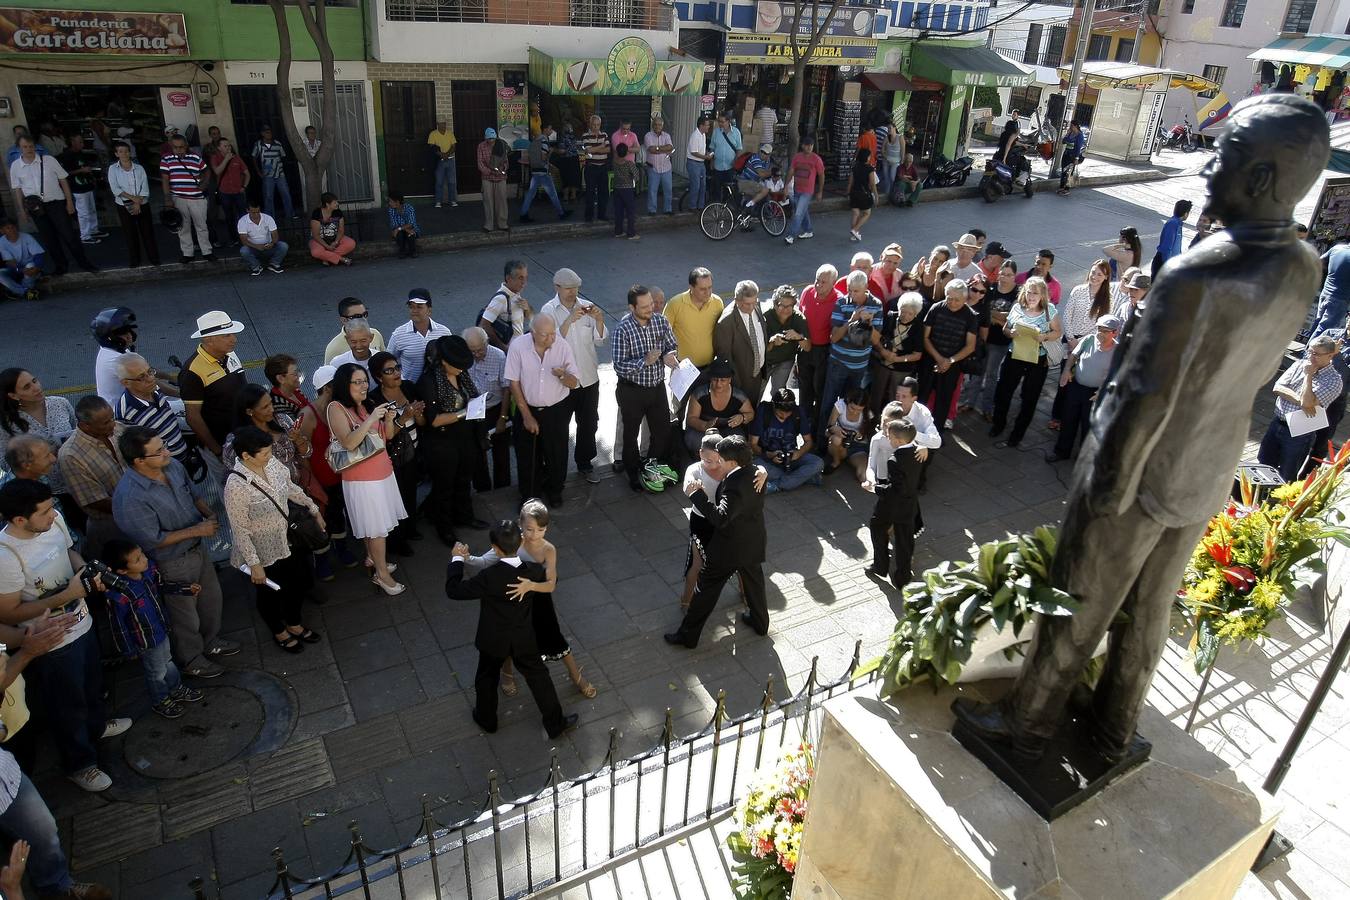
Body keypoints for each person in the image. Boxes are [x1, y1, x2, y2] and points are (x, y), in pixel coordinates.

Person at [0, 479, 130, 792]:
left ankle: (97, 727)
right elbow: (8, 614)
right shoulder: (5, 556)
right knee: (66, 706)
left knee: (91, 687)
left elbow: (68, 551)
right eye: (44, 512)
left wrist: (86, 569)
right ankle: (80, 764)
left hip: (83, 624)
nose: (53, 515)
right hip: (53, 642)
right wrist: (65, 595)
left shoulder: (53, 521)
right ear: (20, 520)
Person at [112, 426, 235, 678]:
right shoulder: (130, 497)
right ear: (138, 461)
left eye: (164, 445)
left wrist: (208, 513)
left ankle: (211, 641)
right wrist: (197, 530)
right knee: (184, 616)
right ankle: (192, 660)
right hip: (171, 562)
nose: (167, 452)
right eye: (159, 451)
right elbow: (151, 539)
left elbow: (193, 494)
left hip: (198, 549)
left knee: (211, 600)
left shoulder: (173, 467)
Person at [446, 522, 577, 738]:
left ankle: (487, 719)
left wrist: (458, 559)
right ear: (520, 542)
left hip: (493, 638)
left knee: (486, 678)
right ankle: (555, 724)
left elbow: (454, 590)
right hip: (523, 638)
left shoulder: (489, 577)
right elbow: (551, 582)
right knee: (539, 677)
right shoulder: (534, 572)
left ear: (496, 549)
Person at [224, 425, 324, 655]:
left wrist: (312, 506)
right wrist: (254, 564)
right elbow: (239, 529)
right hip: (262, 550)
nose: (271, 456)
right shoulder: (236, 486)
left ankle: (294, 622)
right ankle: (279, 630)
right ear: (246, 456)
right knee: (269, 593)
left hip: (287, 539)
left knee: (296, 582)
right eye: (265, 453)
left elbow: (290, 488)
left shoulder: (272, 463)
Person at [481, 500, 596, 699]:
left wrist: (531, 585)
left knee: (554, 637)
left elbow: (551, 584)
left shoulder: (549, 549)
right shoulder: (515, 541)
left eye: (540, 530)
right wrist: (464, 558)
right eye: (530, 529)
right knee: (510, 640)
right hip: (515, 597)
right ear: (520, 525)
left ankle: (575, 675)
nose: (535, 535)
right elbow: (489, 559)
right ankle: (507, 674)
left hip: (540, 600)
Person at [664, 435, 767, 647]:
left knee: (706, 590)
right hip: (753, 542)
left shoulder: (735, 484)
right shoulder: (755, 472)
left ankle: (687, 636)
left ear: (732, 463)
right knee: (755, 585)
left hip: (729, 549)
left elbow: (721, 518)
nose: (718, 461)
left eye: (722, 459)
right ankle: (760, 623)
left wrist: (697, 496)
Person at [326, 364, 407, 594]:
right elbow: (349, 442)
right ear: (345, 384)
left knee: (373, 526)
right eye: (357, 382)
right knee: (377, 529)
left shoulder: (365, 404)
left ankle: (373, 560)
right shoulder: (336, 408)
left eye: (364, 381)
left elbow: (386, 437)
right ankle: (382, 575)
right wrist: (371, 418)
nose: (364, 386)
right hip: (363, 481)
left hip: (382, 474)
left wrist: (389, 419)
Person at [101, 538, 205, 719]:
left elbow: (162, 587)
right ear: (122, 570)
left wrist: (185, 588)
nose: (144, 559)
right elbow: (118, 625)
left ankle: (175, 688)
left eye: (141, 554)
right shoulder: (120, 594)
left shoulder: (149, 572)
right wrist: (128, 649)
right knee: (156, 672)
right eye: (137, 559)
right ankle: (161, 700)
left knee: (167, 662)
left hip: (161, 630)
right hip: (146, 641)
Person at [416, 336, 485, 547]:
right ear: (443, 361)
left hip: (464, 437)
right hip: (442, 442)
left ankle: (465, 515)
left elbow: (470, 395)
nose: (462, 370)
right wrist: (465, 412)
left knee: (464, 479)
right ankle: (444, 527)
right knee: (444, 485)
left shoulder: (461, 375)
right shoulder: (428, 382)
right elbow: (434, 420)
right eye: (458, 366)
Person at [612, 285, 680, 493]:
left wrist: (670, 354)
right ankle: (633, 474)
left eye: (651, 303)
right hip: (631, 391)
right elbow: (619, 365)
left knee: (662, 432)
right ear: (632, 307)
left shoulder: (660, 321)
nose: (651, 308)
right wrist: (644, 361)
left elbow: (671, 343)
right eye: (645, 306)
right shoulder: (623, 329)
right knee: (630, 436)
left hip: (656, 388)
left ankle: (651, 466)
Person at [539, 268, 605, 482]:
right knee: (559, 429)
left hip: (588, 378)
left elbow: (600, 341)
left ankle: (585, 464)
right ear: (556, 287)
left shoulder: (585, 306)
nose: (572, 293)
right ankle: (555, 472)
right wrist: (567, 321)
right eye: (568, 289)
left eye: (576, 288)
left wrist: (599, 320)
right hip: (562, 383)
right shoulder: (548, 311)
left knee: (588, 424)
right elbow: (546, 344)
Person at [505, 314, 578, 506]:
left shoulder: (562, 346)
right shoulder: (518, 346)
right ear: (533, 333)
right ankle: (529, 495)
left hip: (556, 410)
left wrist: (563, 376)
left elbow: (574, 382)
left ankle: (555, 491)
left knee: (557, 453)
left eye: (553, 333)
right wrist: (527, 416)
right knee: (527, 455)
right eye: (545, 335)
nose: (551, 339)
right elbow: (513, 382)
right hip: (527, 407)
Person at [295, 365, 359, 581]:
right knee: (320, 520)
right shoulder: (308, 415)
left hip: (341, 476)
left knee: (338, 515)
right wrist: (312, 482)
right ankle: (322, 560)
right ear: (328, 388)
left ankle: (342, 549)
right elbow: (303, 454)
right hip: (320, 480)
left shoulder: (340, 408)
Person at [989, 276, 1062, 448]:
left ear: (1043, 294)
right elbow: (1006, 328)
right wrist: (1010, 332)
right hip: (1014, 356)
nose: (1031, 296)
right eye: (1029, 292)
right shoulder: (1017, 307)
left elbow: (1058, 332)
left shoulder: (1049, 311)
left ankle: (1017, 434)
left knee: (1030, 398)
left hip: (1037, 359)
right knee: (1003, 392)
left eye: (1035, 293)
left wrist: (1045, 336)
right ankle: (998, 425)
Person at [1257, 336, 1343, 481]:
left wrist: (1308, 375)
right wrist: (1301, 400)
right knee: (1263, 467)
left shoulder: (1334, 380)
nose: (1311, 356)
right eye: (1310, 351)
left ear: (1330, 355)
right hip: (1277, 423)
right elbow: (1278, 388)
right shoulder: (1299, 364)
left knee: (1286, 475)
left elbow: (1308, 403)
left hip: (1300, 433)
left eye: (1316, 354)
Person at [8, 136, 97, 275]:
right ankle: (61, 266)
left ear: (35, 146)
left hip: (56, 203)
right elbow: (17, 190)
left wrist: (69, 201)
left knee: (69, 236)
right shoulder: (15, 166)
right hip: (36, 207)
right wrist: (22, 211)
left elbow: (63, 180)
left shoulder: (49, 160)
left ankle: (84, 263)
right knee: (50, 239)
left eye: (31, 146)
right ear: (19, 148)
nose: (29, 149)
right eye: (25, 147)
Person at [368, 350, 425, 555]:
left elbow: (422, 422)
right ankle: (398, 541)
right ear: (378, 377)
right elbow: (385, 435)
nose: (396, 373)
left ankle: (410, 529)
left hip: (413, 452)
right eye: (389, 370)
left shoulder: (408, 387)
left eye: (397, 368)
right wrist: (405, 416)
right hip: (392, 459)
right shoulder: (374, 401)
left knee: (410, 493)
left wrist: (416, 414)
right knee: (395, 498)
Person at [818, 271, 883, 445]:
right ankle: (822, 443)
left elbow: (876, 340)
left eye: (856, 291)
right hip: (838, 364)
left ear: (866, 289)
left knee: (852, 407)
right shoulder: (841, 303)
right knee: (828, 404)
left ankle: (849, 444)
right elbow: (834, 337)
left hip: (859, 367)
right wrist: (851, 320)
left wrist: (869, 324)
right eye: (850, 290)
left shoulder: (876, 305)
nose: (852, 295)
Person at [1046, 314, 1121, 463]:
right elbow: (1073, 356)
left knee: (1088, 425)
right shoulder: (1088, 340)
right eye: (1100, 329)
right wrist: (1067, 370)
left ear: (1115, 332)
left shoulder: (1118, 351)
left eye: (1106, 331)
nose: (1101, 333)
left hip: (1095, 394)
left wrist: (1103, 391)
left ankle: (1082, 457)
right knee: (1068, 420)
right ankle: (1061, 451)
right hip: (1077, 387)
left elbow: (1118, 375)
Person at [179, 310, 248, 471]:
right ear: (208, 339)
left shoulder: (230, 354)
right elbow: (193, 417)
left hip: (244, 436)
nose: (234, 339)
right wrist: (217, 450)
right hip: (222, 444)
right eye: (226, 335)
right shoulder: (192, 371)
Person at [55, 396, 125, 555]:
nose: (113, 424)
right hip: (110, 525)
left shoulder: (118, 429)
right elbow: (95, 501)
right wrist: (137, 507)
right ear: (85, 426)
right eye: (106, 422)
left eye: (112, 418)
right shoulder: (71, 456)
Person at [0, 369, 76, 499]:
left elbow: (76, 429)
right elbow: (6, 462)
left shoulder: (60, 403)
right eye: (27, 387)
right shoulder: (7, 424)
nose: (36, 388)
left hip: (75, 479)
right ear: (13, 395)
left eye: (34, 381)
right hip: (44, 490)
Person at [866, 418, 923, 587]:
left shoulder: (894, 460)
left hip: (891, 506)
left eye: (890, 437)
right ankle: (902, 579)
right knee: (905, 541)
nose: (888, 439)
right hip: (910, 505)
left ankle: (880, 566)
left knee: (877, 527)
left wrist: (874, 489)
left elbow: (894, 490)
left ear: (898, 441)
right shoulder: (918, 452)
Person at [113, 353, 190, 466]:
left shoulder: (155, 390)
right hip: (166, 466)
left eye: (150, 371)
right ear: (126, 383)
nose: (150, 379)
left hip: (183, 458)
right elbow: (138, 452)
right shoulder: (125, 414)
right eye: (141, 377)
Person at [463, 327, 512, 491]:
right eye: (472, 352)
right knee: (477, 454)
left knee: (501, 453)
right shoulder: (463, 358)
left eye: (480, 350)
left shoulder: (498, 357)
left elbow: (507, 389)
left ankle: (502, 488)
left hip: (494, 409)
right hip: (472, 411)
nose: (476, 355)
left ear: (487, 343)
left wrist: (503, 418)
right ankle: (482, 489)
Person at [751, 388, 824, 493]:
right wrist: (769, 454)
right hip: (767, 459)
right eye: (780, 413)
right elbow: (753, 444)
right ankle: (802, 478)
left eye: (788, 414)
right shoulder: (764, 410)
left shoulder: (798, 412)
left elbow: (808, 441)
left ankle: (777, 485)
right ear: (774, 406)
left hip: (791, 459)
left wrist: (798, 453)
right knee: (753, 464)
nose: (784, 417)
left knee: (818, 463)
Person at [869, 292, 926, 417]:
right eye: (903, 311)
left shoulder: (918, 327)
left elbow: (917, 355)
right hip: (882, 363)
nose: (905, 315)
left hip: (902, 368)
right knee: (876, 393)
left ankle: (892, 422)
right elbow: (877, 337)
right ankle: (871, 420)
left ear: (916, 313)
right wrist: (883, 351)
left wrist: (897, 359)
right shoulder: (890, 317)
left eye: (910, 313)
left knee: (896, 397)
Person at [160, 133, 214, 264]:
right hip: (178, 197)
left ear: (186, 146)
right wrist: (168, 199)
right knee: (183, 227)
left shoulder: (195, 157)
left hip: (197, 198)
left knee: (201, 226)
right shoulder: (166, 159)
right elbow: (165, 180)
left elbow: (207, 171)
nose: (178, 150)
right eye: (175, 147)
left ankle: (207, 252)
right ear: (171, 147)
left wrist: (205, 184)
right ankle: (188, 253)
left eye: (181, 147)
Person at [798, 264, 840, 423]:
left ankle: (816, 424)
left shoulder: (839, 300)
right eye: (817, 280)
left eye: (823, 282)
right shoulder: (807, 292)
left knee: (820, 389)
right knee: (804, 387)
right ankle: (803, 422)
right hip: (804, 347)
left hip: (824, 351)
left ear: (833, 283)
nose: (818, 285)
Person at [106, 140, 158, 268]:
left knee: (147, 233)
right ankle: (135, 260)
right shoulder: (113, 169)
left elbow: (145, 187)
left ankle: (154, 258)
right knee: (130, 234)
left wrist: (138, 202)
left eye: (126, 151)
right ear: (116, 154)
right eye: (121, 151)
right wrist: (133, 199)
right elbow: (115, 189)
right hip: (123, 205)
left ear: (130, 152)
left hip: (142, 203)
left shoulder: (139, 168)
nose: (124, 153)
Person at [714, 280, 768, 402]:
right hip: (740, 381)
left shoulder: (756, 306)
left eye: (754, 302)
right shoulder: (726, 322)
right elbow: (725, 357)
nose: (751, 307)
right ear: (737, 300)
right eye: (747, 304)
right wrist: (735, 384)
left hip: (758, 374)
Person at [685, 359, 753, 453]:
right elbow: (691, 418)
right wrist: (705, 425)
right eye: (715, 380)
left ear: (729, 380)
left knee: (738, 444)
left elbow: (750, 413)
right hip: (703, 429)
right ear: (710, 379)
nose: (719, 384)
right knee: (695, 442)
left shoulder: (739, 396)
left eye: (723, 380)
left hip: (729, 429)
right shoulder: (699, 393)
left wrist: (742, 417)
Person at [388, 289, 453, 383]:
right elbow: (389, 360)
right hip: (410, 388)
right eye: (411, 307)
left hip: (439, 387)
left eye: (419, 307)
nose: (414, 310)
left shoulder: (444, 332)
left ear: (429, 310)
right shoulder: (398, 335)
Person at [665, 267, 724, 370]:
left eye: (710, 287)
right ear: (691, 288)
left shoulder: (717, 302)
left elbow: (721, 331)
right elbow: (662, 332)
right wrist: (667, 354)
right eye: (702, 289)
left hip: (710, 366)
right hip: (683, 367)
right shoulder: (675, 304)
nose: (708, 292)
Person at [56, 134, 102, 245]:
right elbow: (65, 173)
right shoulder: (66, 156)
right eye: (80, 142)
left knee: (91, 209)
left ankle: (93, 230)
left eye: (82, 142)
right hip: (77, 187)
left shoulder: (80, 153)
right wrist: (81, 171)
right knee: (83, 212)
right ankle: (85, 235)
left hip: (87, 185)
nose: (82, 144)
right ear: (72, 142)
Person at [764, 285, 809, 394]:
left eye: (790, 306)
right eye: (782, 306)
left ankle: (776, 410)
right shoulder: (765, 317)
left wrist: (799, 337)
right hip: (765, 361)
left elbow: (807, 347)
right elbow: (760, 348)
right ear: (775, 304)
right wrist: (772, 342)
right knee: (756, 392)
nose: (786, 310)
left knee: (778, 393)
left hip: (785, 361)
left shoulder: (798, 318)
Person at [480, 259, 533, 351]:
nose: (524, 282)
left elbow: (532, 318)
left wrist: (527, 309)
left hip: (519, 348)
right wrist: (504, 348)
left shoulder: (515, 294)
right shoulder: (501, 299)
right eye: (520, 278)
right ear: (508, 278)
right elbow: (484, 325)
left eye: (525, 277)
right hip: (511, 351)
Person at [518, 131, 569, 224]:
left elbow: (529, 158)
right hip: (543, 172)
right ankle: (561, 213)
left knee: (530, 194)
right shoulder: (544, 142)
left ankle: (523, 214)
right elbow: (544, 157)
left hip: (535, 171)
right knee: (553, 194)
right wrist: (551, 152)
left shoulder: (532, 143)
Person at [783, 135, 824, 245]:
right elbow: (791, 171)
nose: (809, 147)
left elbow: (821, 175)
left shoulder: (816, 159)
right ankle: (808, 230)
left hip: (807, 191)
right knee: (802, 211)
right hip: (797, 189)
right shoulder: (797, 157)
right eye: (807, 145)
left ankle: (791, 235)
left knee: (798, 213)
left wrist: (820, 191)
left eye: (811, 145)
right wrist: (786, 186)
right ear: (802, 146)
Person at [825, 388, 872, 482]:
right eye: (852, 408)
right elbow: (827, 432)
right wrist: (834, 429)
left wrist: (859, 435)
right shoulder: (840, 405)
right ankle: (836, 462)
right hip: (838, 445)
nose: (854, 412)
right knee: (836, 439)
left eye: (859, 410)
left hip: (857, 446)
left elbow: (868, 437)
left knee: (863, 477)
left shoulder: (868, 413)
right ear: (848, 401)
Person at [323, 297, 386, 365]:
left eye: (365, 314)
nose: (363, 319)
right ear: (344, 320)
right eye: (357, 316)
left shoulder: (375, 334)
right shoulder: (333, 348)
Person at [209, 138, 251, 239]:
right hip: (225, 192)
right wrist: (226, 159)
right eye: (225, 146)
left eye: (229, 145)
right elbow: (217, 171)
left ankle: (245, 236)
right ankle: (233, 237)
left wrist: (244, 186)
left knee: (243, 215)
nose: (228, 148)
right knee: (229, 216)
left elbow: (247, 174)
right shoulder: (215, 158)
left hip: (238, 191)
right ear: (219, 148)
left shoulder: (237, 158)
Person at [251, 125, 294, 220]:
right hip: (267, 176)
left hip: (280, 174)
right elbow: (254, 158)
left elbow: (283, 156)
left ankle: (290, 216)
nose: (269, 134)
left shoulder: (277, 144)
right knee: (268, 197)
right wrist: (258, 172)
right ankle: (269, 218)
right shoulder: (258, 144)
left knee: (286, 194)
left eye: (269, 132)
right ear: (262, 134)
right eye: (266, 132)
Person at [236, 199, 287, 276]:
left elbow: (275, 235)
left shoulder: (268, 218)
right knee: (244, 250)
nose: (256, 214)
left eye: (258, 212)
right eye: (253, 212)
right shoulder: (242, 221)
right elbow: (244, 241)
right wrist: (256, 246)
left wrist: (272, 243)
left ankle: (274, 264)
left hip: (269, 246)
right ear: (247, 210)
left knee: (283, 246)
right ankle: (256, 266)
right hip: (253, 248)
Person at [1311, 241, 1350, 336]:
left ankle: (1308, 348)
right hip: (1340, 298)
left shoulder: (1337, 248)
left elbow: (1319, 261)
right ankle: (1308, 351)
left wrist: (1331, 272)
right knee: (1324, 328)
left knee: (1318, 323)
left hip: (1326, 292)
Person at [0, 221, 44, 301]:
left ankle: (17, 291)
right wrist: (20, 270)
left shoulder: (27, 237)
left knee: (30, 266)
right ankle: (25, 292)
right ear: (2, 231)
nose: (11, 230)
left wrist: (37, 268)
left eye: (13, 227)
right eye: (8, 228)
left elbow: (38, 255)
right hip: (16, 270)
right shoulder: (1, 242)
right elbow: (10, 262)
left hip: (30, 269)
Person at [579, 115, 611, 223]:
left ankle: (602, 215)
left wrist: (595, 149)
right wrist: (601, 147)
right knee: (590, 193)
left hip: (603, 167)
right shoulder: (585, 135)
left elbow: (608, 150)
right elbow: (588, 151)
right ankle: (589, 217)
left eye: (598, 125)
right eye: (594, 124)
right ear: (590, 124)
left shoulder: (604, 134)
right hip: (591, 167)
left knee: (604, 193)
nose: (596, 127)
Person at [309, 192, 355, 267]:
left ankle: (326, 258)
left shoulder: (338, 212)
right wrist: (327, 246)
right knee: (315, 252)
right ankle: (342, 259)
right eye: (335, 202)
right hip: (319, 240)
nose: (337, 204)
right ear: (327, 204)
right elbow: (315, 235)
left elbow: (341, 230)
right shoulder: (317, 213)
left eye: (337, 202)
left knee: (351, 243)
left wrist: (336, 242)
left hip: (334, 238)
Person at [1152, 199, 1192, 278]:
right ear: (1186, 213)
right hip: (1163, 263)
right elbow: (1167, 247)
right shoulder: (1173, 224)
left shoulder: (1177, 224)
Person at [644, 116, 675, 214]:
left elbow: (670, 147)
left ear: (662, 126)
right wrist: (663, 149)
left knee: (668, 190)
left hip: (666, 168)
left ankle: (668, 209)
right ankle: (652, 210)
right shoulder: (648, 136)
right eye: (656, 124)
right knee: (652, 191)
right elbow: (651, 150)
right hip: (653, 168)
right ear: (653, 125)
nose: (657, 126)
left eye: (659, 125)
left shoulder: (667, 136)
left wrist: (657, 149)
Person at [846, 147, 877, 243]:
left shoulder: (854, 168)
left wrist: (847, 192)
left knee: (855, 213)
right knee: (867, 213)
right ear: (867, 157)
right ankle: (855, 230)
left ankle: (854, 234)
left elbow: (850, 182)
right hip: (864, 194)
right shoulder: (870, 169)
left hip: (854, 193)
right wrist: (875, 194)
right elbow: (872, 184)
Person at [611, 142, 640, 240]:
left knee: (618, 211)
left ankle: (618, 231)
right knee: (630, 212)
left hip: (617, 188)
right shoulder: (629, 164)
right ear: (627, 152)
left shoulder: (614, 162)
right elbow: (636, 176)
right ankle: (631, 233)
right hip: (627, 189)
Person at [427, 120, 458, 208]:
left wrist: (446, 154)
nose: (443, 126)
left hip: (450, 160)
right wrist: (442, 155)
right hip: (439, 161)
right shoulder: (433, 134)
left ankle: (453, 200)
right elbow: (432, 147)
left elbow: (453, 146)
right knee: (439, 182)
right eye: (441, 124)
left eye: (444, 124)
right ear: (437, 125)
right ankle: (438, 202)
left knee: (451, 182)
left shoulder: (450, 133)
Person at [685, 117, 712, 212]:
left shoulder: (703, 135)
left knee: (702, 185)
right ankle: (692, 206)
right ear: (701, 125)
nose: (709, 126)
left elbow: (701, 150)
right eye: (707, 125)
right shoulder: (695, 135)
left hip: (700, 163)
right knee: (695, 185)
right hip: (693, 163)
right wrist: (706, 157)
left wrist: (706, 153)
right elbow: (694, 152)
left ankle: (700, 206)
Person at [387, 191, 421, 259]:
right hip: (400, 230)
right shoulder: (391, 210)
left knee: (410, 233)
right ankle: (402, 252)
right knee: (400, 234)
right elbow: (394, 224)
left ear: (397, 202)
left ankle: (413, 251)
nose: (389, 203)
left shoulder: (409, 208)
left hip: (410, 229)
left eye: (391, 201)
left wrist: (400, 228)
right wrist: (403, 228)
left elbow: (411, 223)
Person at [1056, 120, 1086, 195]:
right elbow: (1063, 141)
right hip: (1066, 154)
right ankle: (1061, 187)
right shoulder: (1070, 133)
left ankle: (1067, 189)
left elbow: (1078, 147)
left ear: (1076, 126)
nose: (1070, 127)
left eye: (1072, 126)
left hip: (1072, 156)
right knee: (1064, 171)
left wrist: (1076, 158)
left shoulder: (1079, 135)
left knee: (1069, 172)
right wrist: (1067, 134)